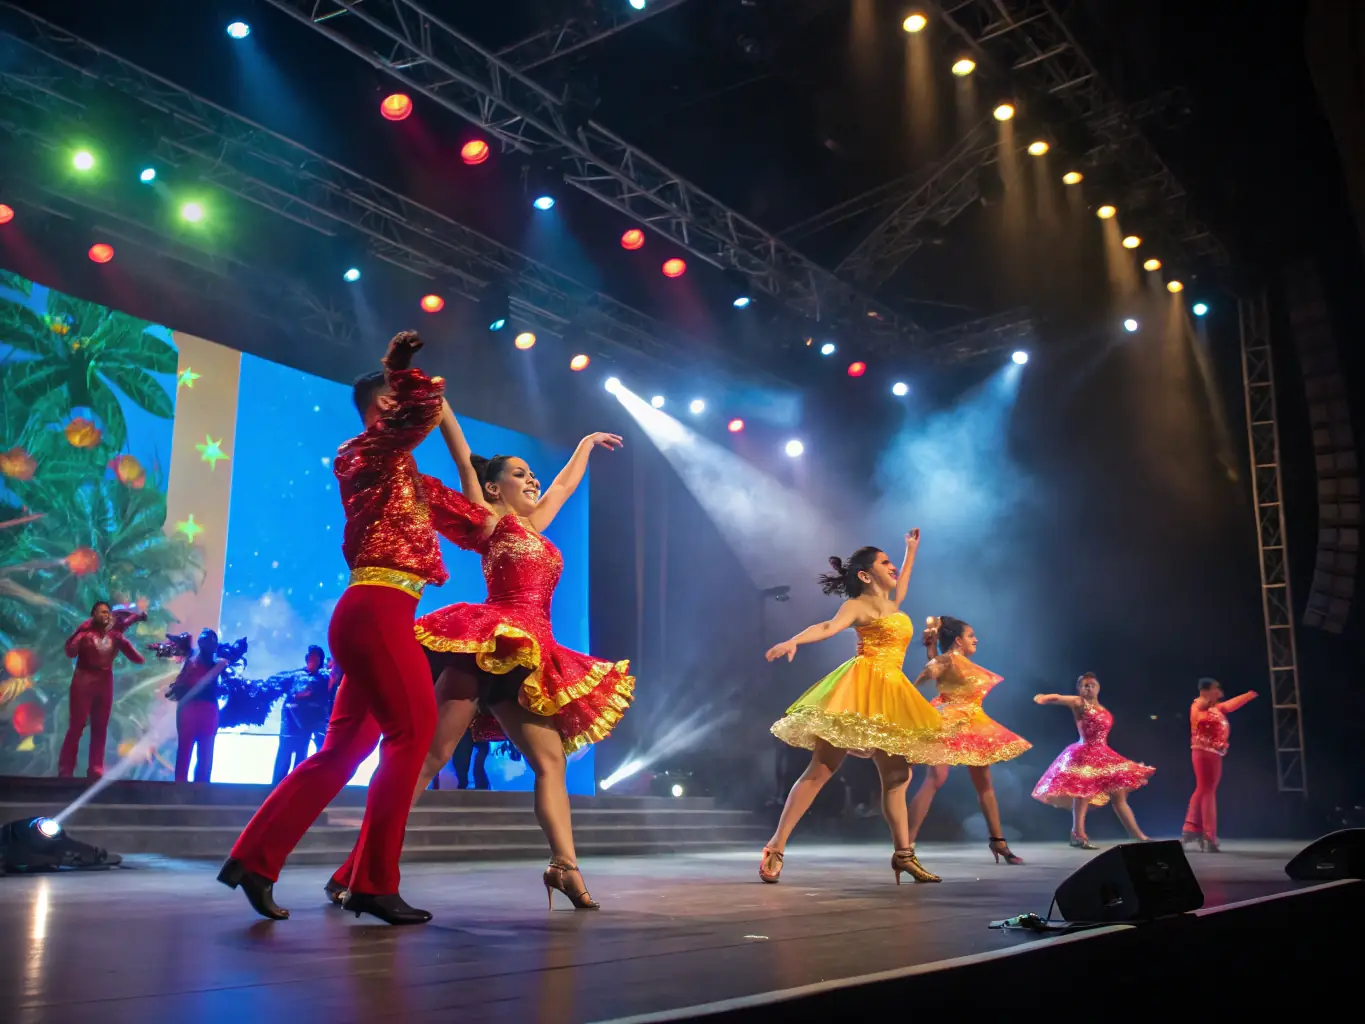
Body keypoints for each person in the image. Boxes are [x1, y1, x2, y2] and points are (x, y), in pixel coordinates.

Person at [219, 330, 490, 925]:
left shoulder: (414, 480)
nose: (411, 407)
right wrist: (400, 369)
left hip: (381, 617)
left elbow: (480, 527)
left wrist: (476, 466)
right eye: (398, 397)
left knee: (345, 750)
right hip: (375, 611)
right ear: (385, 406)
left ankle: (254, 859)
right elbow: (423, 410)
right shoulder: (362, 453)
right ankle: (372, 883)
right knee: (413, 736)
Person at [388, 408, 632, 911]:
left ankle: (564, 866)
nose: (532, 479)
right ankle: (368, 861)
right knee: (430, 756)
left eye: (531, 473)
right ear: (494, 489)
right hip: (489, 645)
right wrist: (443, 411)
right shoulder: (490, 518)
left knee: (550, 762)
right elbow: (461, 460)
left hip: (533, 655)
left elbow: (562, 488)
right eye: (519, 474)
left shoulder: (535, 526)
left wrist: (585, 442)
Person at [762, 534, 951, 886]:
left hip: (893, 692)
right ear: (865, 575)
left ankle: (903, 855)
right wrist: (794, 640)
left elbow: (904, 580)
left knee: (897, 776)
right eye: (884, 563)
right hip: (860, 688)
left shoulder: (894, 605)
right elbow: (827, 627)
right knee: (821, 769)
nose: (892, 567)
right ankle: (776, 845)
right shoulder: (857, 606)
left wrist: (910, 552)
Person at [903, 616, 1031, 865]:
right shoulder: (944, 661)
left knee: (985, 785)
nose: (976, 639)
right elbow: (916, 686)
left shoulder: (961, 663)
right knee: (936, 778)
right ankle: (905, 843)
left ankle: (998, 841)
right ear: (959, 640)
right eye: (971, 635)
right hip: (948, 723)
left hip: (974, 725)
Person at [1031, 673, 1153, 847]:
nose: (1088, 688)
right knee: (1083, 792)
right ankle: (1078, 834)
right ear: (1079, 689)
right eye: (1084, 685)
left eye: (1092, 685)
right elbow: (1058, 698)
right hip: (1084, 752)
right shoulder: (1079, 702)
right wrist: (1043, 698)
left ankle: (1137, 835)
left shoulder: (1103, 709)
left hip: (1104, 753)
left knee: (1119, 796)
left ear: (1098, 687)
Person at [57, 601, 146, 779]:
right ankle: (66, 768)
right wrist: (80, 634)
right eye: (102, 612)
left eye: (108, 612)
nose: (106, 615)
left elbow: (136, 656)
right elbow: (70, 651)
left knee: (100, 727)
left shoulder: (115, 635)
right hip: (83, 681)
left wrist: (137, 619)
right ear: (94, 615)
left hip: (104, 683)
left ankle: (96, 767)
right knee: (77, 726)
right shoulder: (85, 634)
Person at [1183, 678, 1257, 853]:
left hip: (1213, 754)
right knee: (1207, 791)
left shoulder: (1216, 708)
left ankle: (1193, 829)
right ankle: (1208, 836)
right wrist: (1203, 701)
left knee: (1204, 790)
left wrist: (1249, 695)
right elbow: (1199, 718)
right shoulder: (1198, 706)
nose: (1220, 692)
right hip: (1204, 753)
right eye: (1216, 689)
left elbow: (1230, 705)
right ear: (1206, 691)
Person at [167, 628, 231, 784]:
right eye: (203, 640)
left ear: (215, 645)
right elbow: (181, 682)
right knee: (185, 750)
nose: (205, 643)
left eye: (210, 641)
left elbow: (232, 681)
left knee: (206, 752)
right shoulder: (191, 662)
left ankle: (201, 789)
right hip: (189, 709)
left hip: (208, 711)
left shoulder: (220, 664)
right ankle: (180, 787)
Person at [270, 646, 333, 785]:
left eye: (315, 657)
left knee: (301, 755)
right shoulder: (295, 675)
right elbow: (283, 689)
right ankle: (275, 787)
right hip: (291, 722)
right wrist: (298, 695)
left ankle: (296, 786)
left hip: (308, 723)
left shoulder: (323, 678)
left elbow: (327, 693)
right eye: (310, 656)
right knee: (284, 754)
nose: (311, 659)